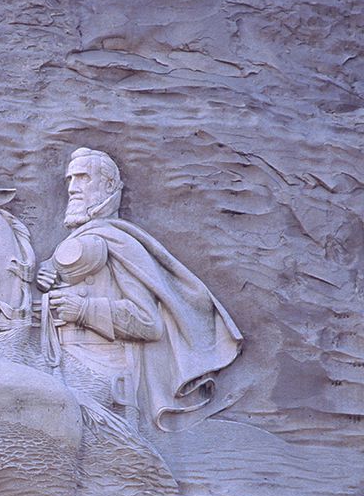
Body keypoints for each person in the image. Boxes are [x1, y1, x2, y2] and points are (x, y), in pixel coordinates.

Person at [36, 147, 242, 430]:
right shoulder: (81, 242)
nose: (73, 188)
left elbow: (148, 323)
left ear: (108, 186)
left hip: (101, 376)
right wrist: (48, 273)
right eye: (70, 180)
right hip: (60, 364)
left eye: (83, 178)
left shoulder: (121, 243)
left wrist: (83, 309)